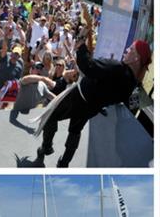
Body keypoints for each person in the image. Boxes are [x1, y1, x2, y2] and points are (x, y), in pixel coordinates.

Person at [36, 14, 152, 166]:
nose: (126, 51)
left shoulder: (116, 67)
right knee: (75, 131)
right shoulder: (132, 84)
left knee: (51, 116)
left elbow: (87, 66)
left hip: (77, 98)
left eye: (130, 49)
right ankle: (64, 163)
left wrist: (81, 44)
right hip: (91, 109)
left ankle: (46, 147)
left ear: (136, 58)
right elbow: (132, 105)